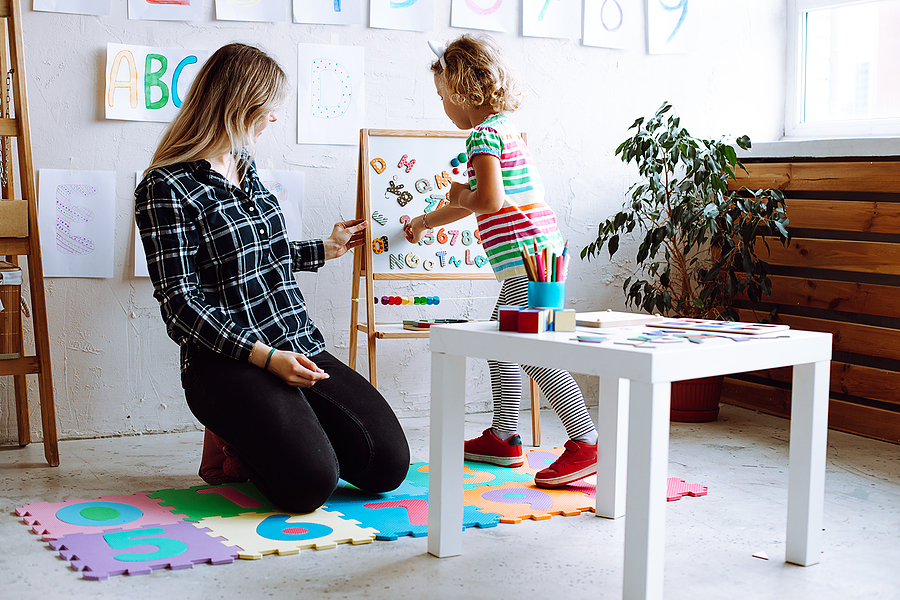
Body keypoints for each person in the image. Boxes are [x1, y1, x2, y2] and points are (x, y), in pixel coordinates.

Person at [134, 43, 410, 514]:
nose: (275, 119)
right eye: (270, 107)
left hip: (294, 340)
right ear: (238, 105)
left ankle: (285, 434)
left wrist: (324, 248)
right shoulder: (164, 187)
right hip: (225, 360)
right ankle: (244, 445)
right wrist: (266, 359)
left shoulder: (245, 166)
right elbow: (181, 305)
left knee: (387, 464)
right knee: (308, 486)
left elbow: (256, 253)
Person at [405, 35, 598, 488]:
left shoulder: (482, 134)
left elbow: (488, 200)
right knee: (503, 342)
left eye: (441, 99)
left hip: (528, 263)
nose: (443, 109)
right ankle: (505, 437)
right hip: (535, 258)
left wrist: (458, 195)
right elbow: (482, 200)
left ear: (458, 91)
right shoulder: (504, 128)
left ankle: (584, 441)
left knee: (530, 351)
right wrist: (430, 219)